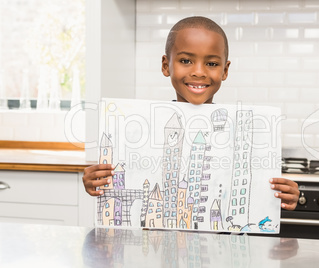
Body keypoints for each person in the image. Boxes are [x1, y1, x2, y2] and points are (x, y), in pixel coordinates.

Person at [82, 16, 300, 211]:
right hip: (157, 251)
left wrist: (282, 197)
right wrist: (97, 181)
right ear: (166, 65)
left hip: (223, 252)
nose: (198, 71)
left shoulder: (243, 135)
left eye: (212, 63)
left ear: (225, 70)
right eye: (186, 61)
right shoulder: (143, 132)